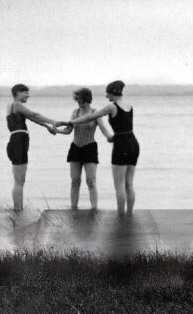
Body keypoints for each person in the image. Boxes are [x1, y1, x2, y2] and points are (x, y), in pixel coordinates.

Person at [59, 80, 139, 215]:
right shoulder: (129, 106)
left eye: (107, 94)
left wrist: (70, 122)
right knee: (128, 184)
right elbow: (123, 124)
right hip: (132, 143)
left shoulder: (109, 107)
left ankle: (113, 214)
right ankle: (128, 215)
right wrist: (58, 130)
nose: (106, 97)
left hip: (107, 145)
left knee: (111, 184)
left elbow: (95, 120)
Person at [55, 87, 113, 210]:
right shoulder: (75, 112)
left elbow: (103, 128)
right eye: (77, 99)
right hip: (75, 148)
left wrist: (110, 137)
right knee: (75, 181)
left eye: (80, 100)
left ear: (87, 100)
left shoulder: (94, 112)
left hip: (90, 147)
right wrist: (57, 131)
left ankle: (94, 209)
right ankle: (73, 208)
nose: (78, 102)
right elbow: (68, 130)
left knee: (91, 181)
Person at [6, 84, 59, 212]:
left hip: (16, 141)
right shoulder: (17, 104)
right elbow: (34, 114)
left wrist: (47, 127)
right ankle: (18, 210)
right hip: (19, 143)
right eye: (26, 93)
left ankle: (18, 208)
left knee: (19, 180)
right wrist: (53, 121)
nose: (28, 95)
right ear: (18, 92)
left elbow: (32, 119)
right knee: (19, 181)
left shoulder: (13, 107)